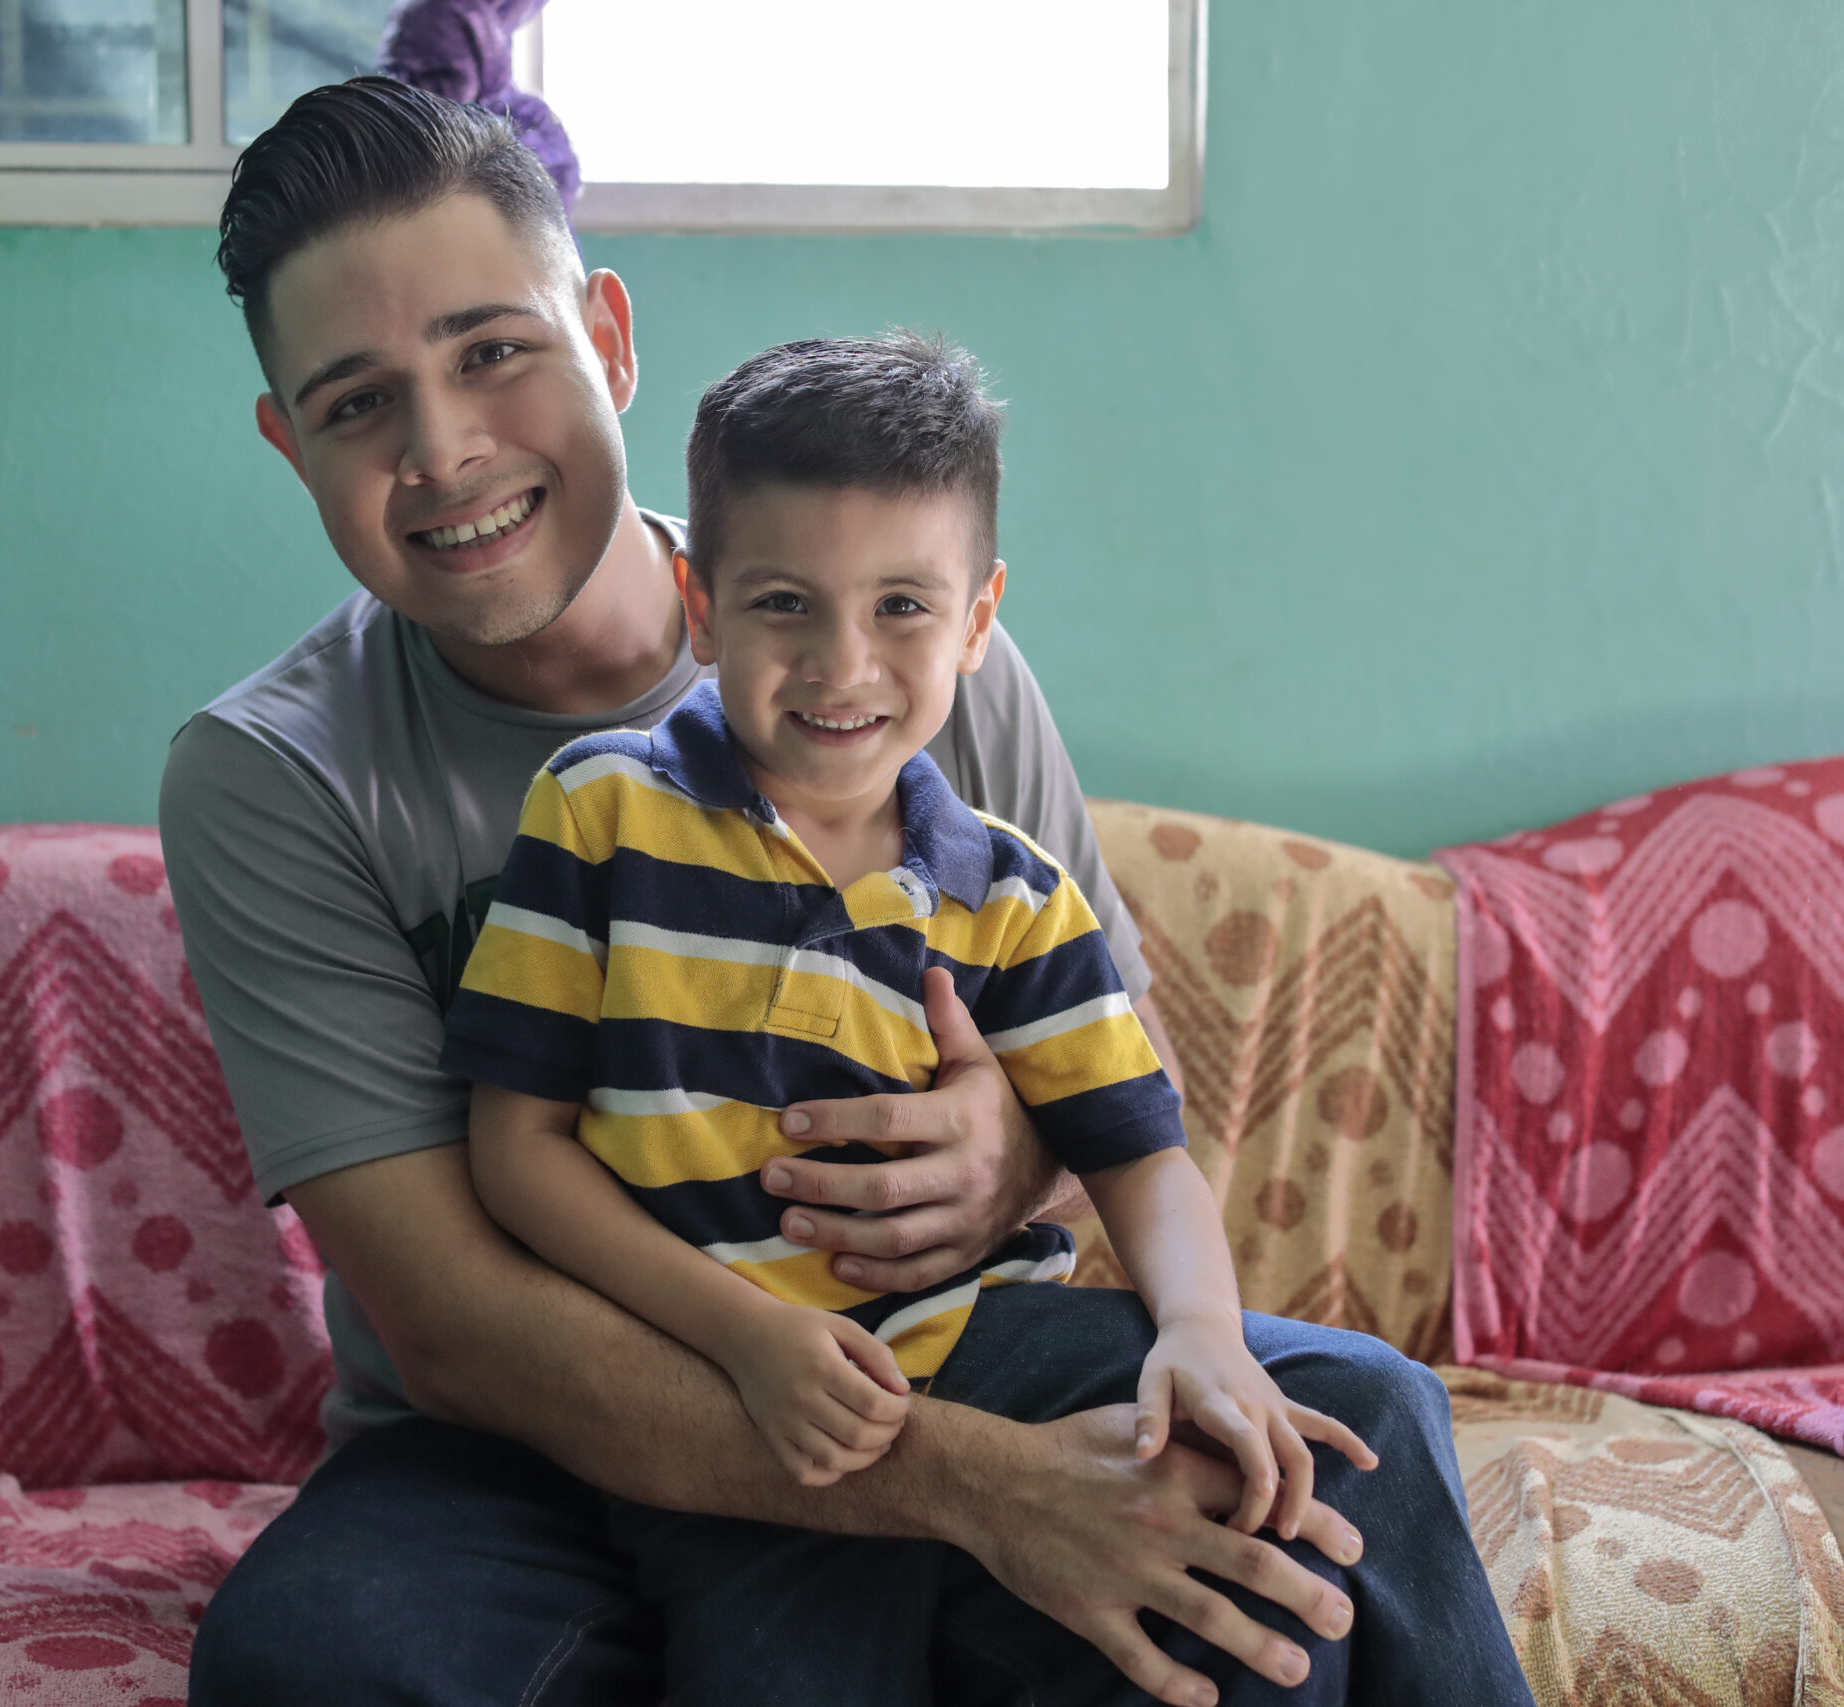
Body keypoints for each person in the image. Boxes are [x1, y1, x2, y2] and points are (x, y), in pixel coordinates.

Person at [166, 76, 1529, 1707]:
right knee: (317, 1664)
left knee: (1323, 1459)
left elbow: (1109, 1083)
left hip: (927, 1344)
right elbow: (460, 1324)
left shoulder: (902, 652)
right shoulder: (277, 775)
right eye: (357, 402)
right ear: (287, 442)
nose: (444, 450)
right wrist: (985, 1492)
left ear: (606, 333)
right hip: (525, 1447)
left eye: (491, 352)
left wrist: (1000, 1152)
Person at [443, 332, 1410, 1703]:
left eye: (903, 605)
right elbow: (516, 1152)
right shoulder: (598, 816)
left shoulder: (1014, 897)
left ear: (978, 618)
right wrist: (743, 1338)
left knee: (1332, 1447)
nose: (843, 664)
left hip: (985, 1355)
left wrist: (1198, 1327)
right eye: (785, 604)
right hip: (718, 1416)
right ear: (702, 606)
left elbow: (1140, 1153)